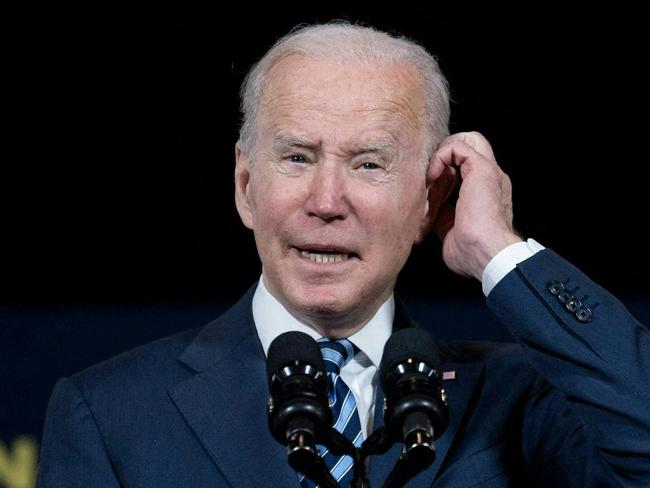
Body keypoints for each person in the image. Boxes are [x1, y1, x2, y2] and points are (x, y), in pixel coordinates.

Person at [37, 22, 649, 487]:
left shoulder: (520, 398)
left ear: (428, 199)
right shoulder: (109, 413)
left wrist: (499, 251)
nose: (327, 201)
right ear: (245, 187)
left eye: (369, 164)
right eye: (298, 157)